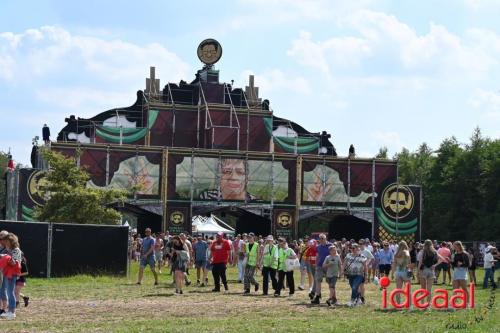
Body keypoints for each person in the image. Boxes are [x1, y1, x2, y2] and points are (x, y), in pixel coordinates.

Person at [0, 233, 22, 319]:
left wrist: (6, 257)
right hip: (7, 272)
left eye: (6, 241)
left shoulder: (16, 250)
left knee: (10, 292)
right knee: (9, 291)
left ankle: (12, 312)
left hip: (13, 273)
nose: (4, 242)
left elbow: (14, 263)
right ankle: (9, 311)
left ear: (11, 241)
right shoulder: (7, 249)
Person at [418, 239, 442, 305]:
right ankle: (428, 304)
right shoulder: (434, 251)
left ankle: (422, 303)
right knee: (429, 289)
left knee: (423, 288)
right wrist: (435, 265)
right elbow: (442, 259)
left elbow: (420, 262)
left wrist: (418, 271)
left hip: (424, 270)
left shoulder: (422, 252)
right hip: (431, 270)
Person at [311, 234, 331, 304]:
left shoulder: (330, 246)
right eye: (320, 239)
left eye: (323, 238)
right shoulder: (318, 247)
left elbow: (335, 255)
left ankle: (332, 297)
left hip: (328, 266)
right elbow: (318, 255)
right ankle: (318, 296)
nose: (321, 240)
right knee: (318, 280)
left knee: (330, 282)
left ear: (326, 238)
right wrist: (316, 264)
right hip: (320, 266)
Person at [357, 239, 374, 304]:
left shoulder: (366, 251)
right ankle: (358, 298)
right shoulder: (357, 251)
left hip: (363, 270)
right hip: (357, 270)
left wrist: (367, 264)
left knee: (361, 285)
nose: (360, 245)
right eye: (359, 243)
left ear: (364, 244)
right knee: (357, 284)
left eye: (361, 244)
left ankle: (362, 298)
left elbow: (372, 258)